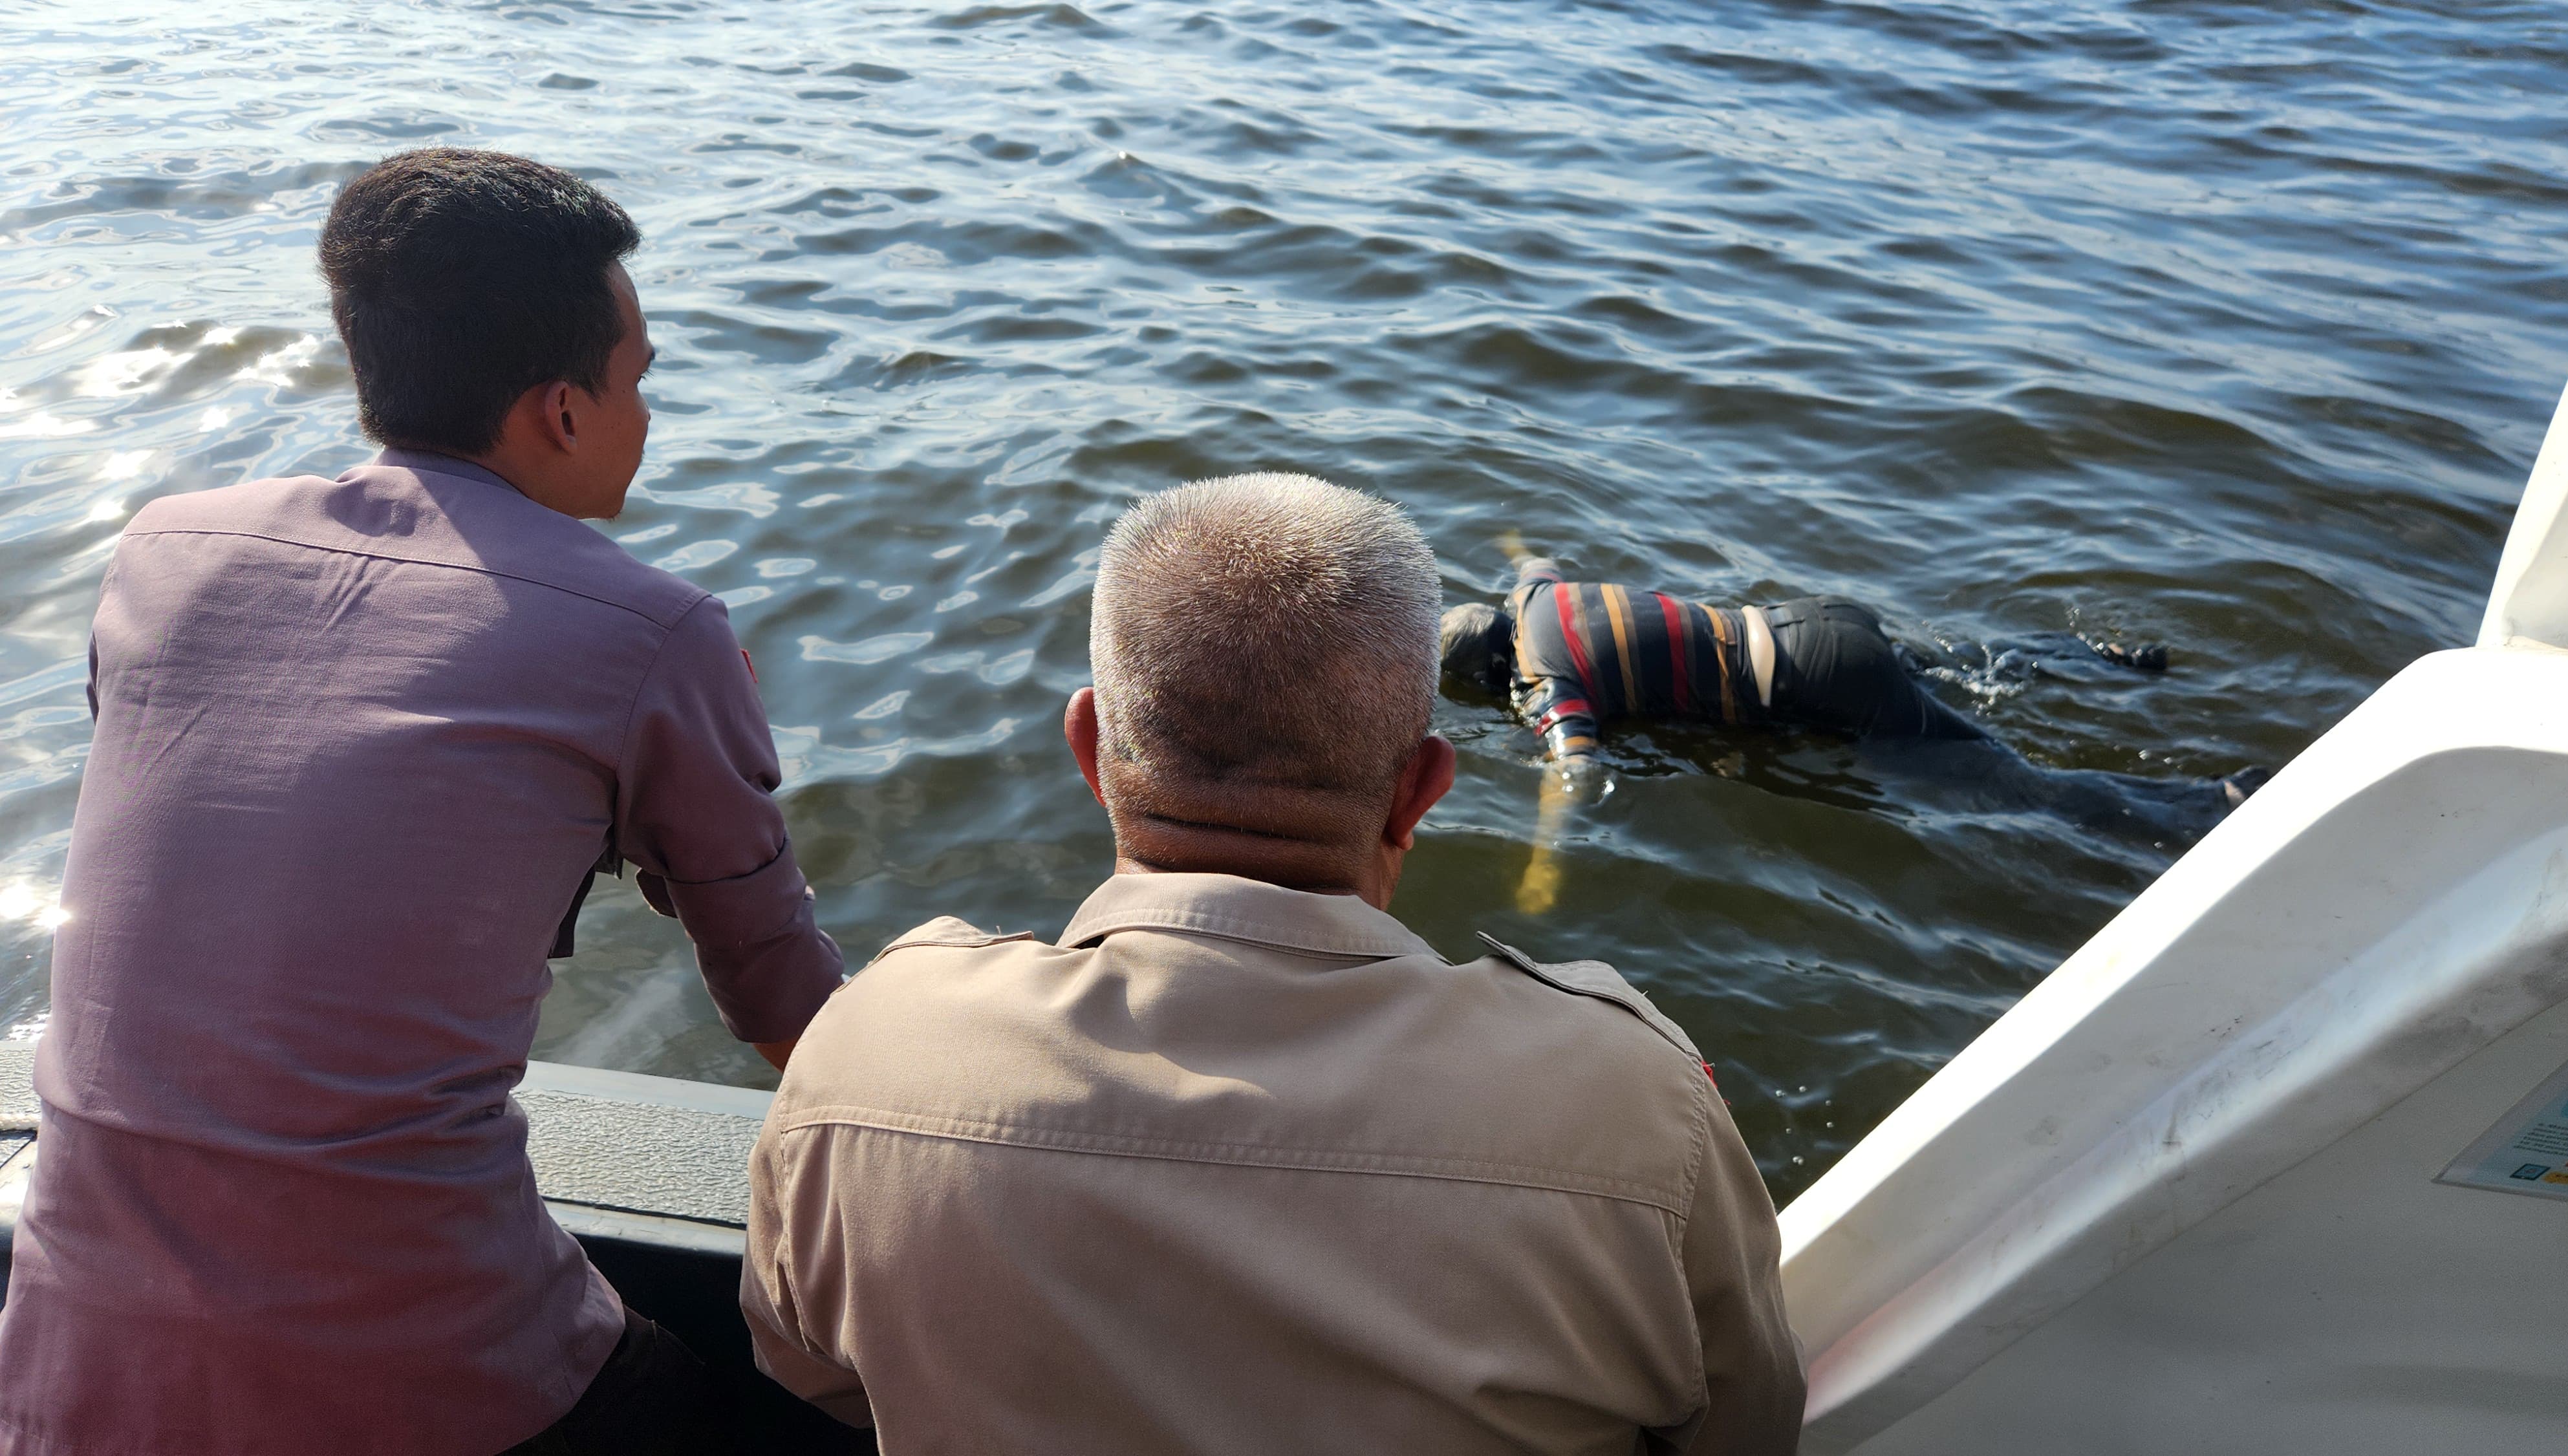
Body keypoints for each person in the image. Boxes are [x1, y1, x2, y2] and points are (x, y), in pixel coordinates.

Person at [0, 150, 844, 1456]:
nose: (646, 414)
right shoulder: (653, 632)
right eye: (641, 381)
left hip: (73, 1366)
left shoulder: (161, 550)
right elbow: (792, 1018)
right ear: (562, 411)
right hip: (430, 1377)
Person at [740, 475, 1806, 1455]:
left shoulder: (870, 1059)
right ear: (1421, 789)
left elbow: (808, 1371)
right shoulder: (1631, 1112)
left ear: (1090, 752)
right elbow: (1744, 1427)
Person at [1445, 551, 2267, 911]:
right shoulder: (1536, 602)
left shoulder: (1546, 682)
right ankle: (2112, 661)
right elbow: (1534, 559)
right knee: (1971, 664)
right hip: (1818, 620)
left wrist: (1542, 864)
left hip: (1818, 684)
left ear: (1493, 673)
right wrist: (1514, 552)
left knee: (2009, 784)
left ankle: (2212, 802)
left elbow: (1579, 774)